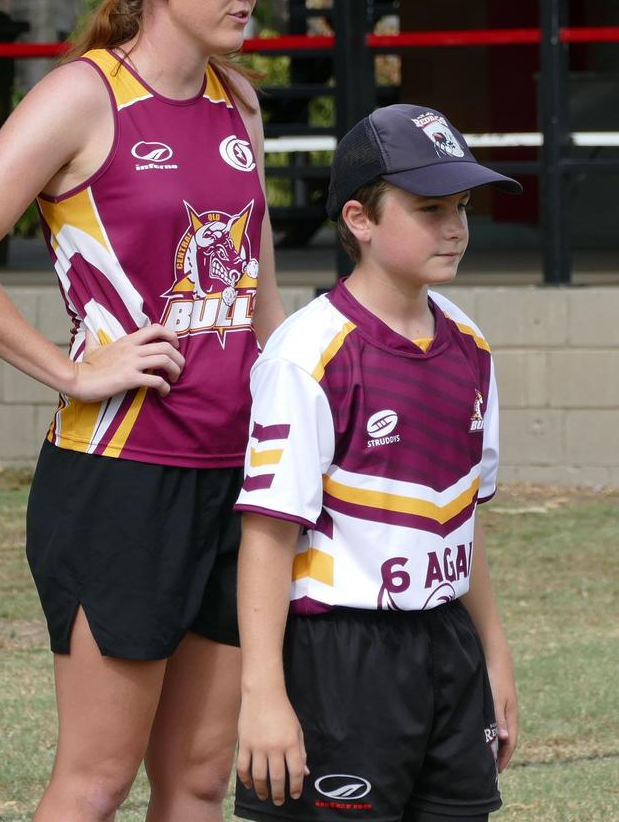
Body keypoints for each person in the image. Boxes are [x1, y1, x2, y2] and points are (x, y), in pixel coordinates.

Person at [0, 0, 308, 822]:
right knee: (96, 782)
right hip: (120, 481)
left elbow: (259, 292)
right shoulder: (82, 97)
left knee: (202, 781)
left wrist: (296, 425)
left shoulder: (239, 103)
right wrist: (72, 369)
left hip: (236, 479)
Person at [234, 104, 521, 822]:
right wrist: (263, 693)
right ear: (359, 219)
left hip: (447, 643)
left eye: (461, 206)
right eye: (429, 209)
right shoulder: (307, 354)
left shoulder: (472, 346)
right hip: (340, 657)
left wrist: (494, 655)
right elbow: (267, 538)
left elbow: (466, 517)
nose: (455, 226)